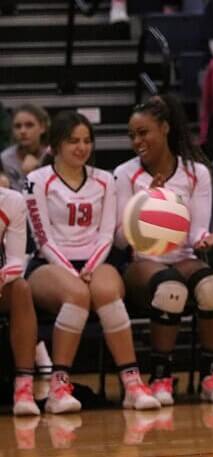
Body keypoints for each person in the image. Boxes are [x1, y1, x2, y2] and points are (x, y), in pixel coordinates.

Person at [24, 111, 160, 414]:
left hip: (95, 259)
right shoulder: (37, 181)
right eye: (73, 141)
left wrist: (89, 268)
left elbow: (106, 235)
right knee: (76, 294)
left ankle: (132, 385)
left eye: (86, 141)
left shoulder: (104, 180)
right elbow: (42, 238)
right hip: (49, 262)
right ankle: (59, 387)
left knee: (108, 292)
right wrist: (73, 272)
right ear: (56, 145)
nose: (81, 147)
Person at [115, 96, 213, 405]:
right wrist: (149, 207)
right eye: (132, 135)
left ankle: (212, 373)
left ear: (165, 128)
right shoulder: (124, 174)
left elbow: (196, 230)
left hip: (183, 257)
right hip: (142, 262)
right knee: (170, 289)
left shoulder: (196, 173)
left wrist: (204, 239)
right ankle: (160, 376)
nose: (137, 141)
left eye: (144, 132)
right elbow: (118, 238)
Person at [1, 186, 39, 416]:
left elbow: (17, 260)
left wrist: (3, 276)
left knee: (20, 289)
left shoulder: (11, 200)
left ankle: (24, 389)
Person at [1, 104, 49, 191]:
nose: (22, 131)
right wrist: (26, 176)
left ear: (42, 127)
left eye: (29, 125)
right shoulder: (5, 159)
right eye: (18, 126)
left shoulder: (52, 156)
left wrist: (35, 173)